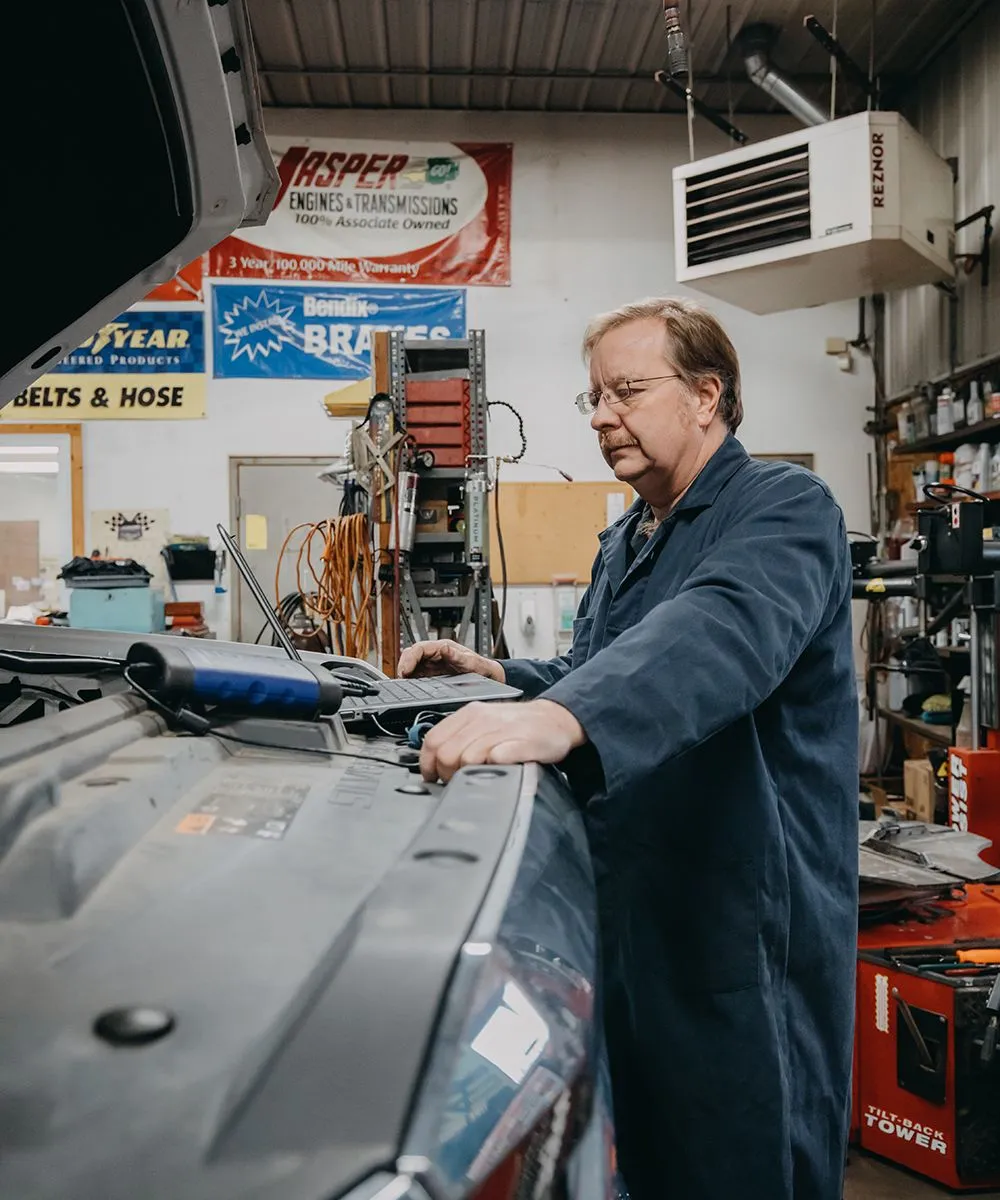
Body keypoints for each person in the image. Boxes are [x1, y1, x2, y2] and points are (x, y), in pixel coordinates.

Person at [398, 297, 858, 1200]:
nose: (604, 414)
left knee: (746, 1156)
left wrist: (563, 718)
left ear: (705, 396)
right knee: (651, 1151)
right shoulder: (629, 537)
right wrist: (504, 676)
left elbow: (720, 633)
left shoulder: (783, 509)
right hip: (638, 909)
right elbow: (598, 667)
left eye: (627, 390)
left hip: (744, 920)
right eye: (593, 398)